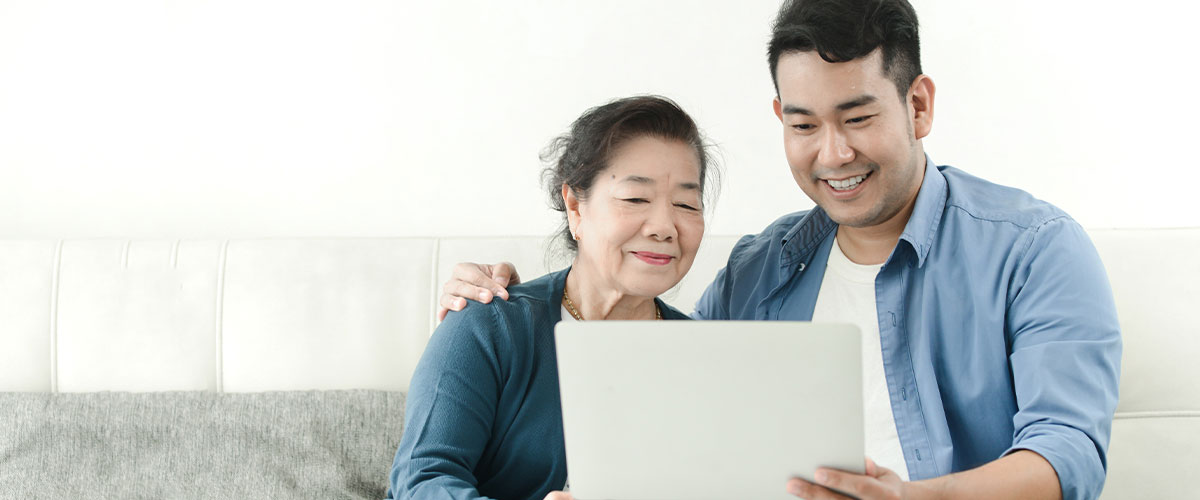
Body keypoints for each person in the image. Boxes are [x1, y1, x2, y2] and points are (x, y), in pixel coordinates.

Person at [435, 1, 1122, 499]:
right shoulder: (757, 271)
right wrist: (516, 305)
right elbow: (657, 394)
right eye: (805, 124)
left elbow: (1068, 455)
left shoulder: (1035, 250)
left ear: (918, 106)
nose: (834, 153)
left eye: (858, 118)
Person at [386, 95, 717, 500]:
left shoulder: (708, 358)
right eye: (635, 198)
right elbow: (420, 481)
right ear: (576, 207)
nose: (665, 226)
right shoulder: (490, 324)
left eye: (686, 203)